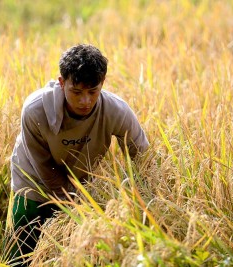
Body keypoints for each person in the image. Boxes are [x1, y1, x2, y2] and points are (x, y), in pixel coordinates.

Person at [9, 44, 149, 265]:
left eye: (93, 92)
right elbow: (45, 167)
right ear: (62, 83)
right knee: (23, 254)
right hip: (33, 182)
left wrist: (141, 198)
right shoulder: (35, 111)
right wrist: (74, 203)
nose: (85, 101)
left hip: (80, 183)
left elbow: (141, 156)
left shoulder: (116, 111)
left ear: (102, 83)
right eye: (76, 92)